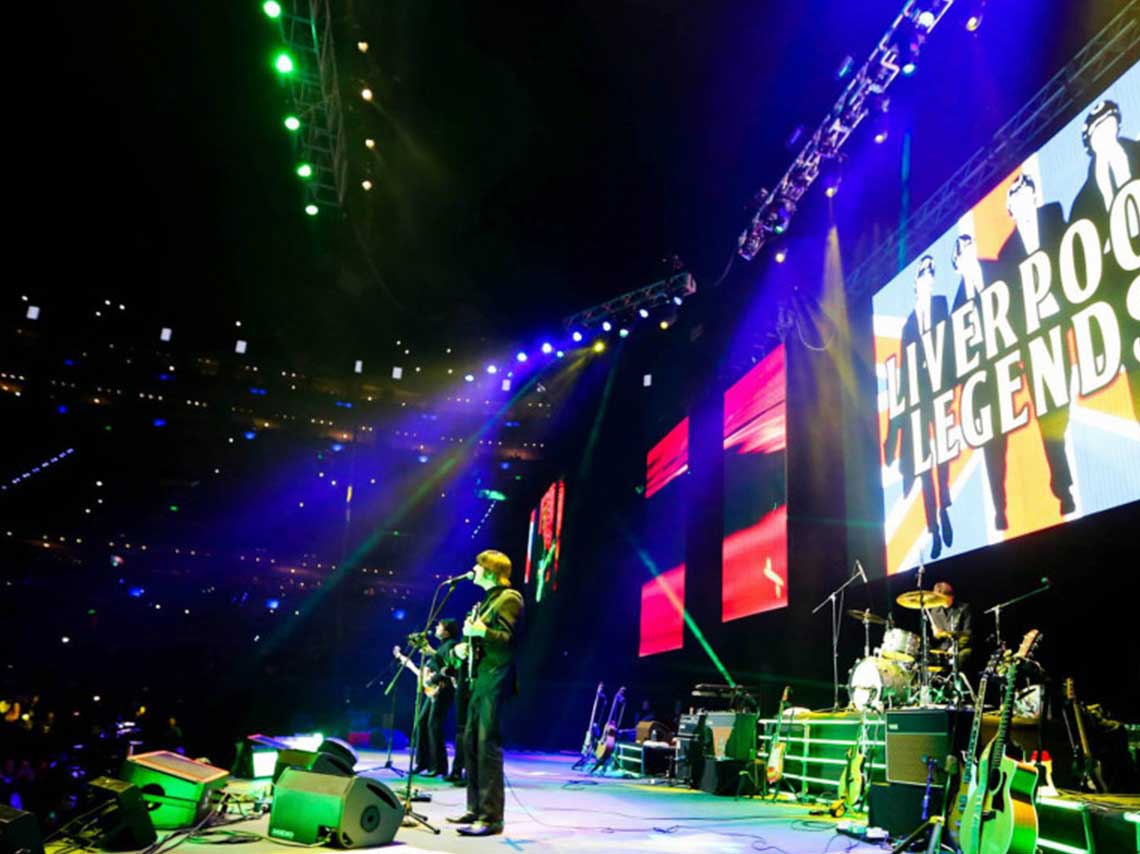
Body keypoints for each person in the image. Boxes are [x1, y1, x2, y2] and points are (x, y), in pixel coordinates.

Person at [997, 173, 1076, 516]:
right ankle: (1063, 486)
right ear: (1010, 208)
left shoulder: (1054, 214)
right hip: (1034, 338)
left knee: (1068, 398)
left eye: (1028, 193)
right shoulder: (1006, 252)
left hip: (1073, 317)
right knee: (1050, 412)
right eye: (1017, 197)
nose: (1025, 200)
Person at [1070, 99, 1140, 424]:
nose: (1104, 132)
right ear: (1088, 141)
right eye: (1096, 130)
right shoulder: (1083, 203)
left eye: (1108, 123)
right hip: (1123, 304)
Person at [446, 550, 523, 837]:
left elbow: (509, 641)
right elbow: (483, 639)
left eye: (478, 566)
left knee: (487, 745)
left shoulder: (509, 598)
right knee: (471, 744)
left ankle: (491, 817)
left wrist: (481, 633)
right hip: (480, 679)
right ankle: (475, 808)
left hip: (496, 679)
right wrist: (466, 647)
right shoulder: (487, 601)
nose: (473, 570)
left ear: (490, 571)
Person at [884, 255, 955, 559]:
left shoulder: (941, 304)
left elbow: (952, 344)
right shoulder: (909, 323)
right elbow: (901, 374)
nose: (928, 274)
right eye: (923, 270)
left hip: (940, 391)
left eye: (932, 269)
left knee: (943, 455)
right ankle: (934, 528)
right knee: (925, 465)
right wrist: (893, 433)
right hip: (917, 400)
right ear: (915, 281)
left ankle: (946, 507)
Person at [952, 234, 1011, 530]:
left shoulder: (997, 270)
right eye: (960, 251)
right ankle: (1000, 509)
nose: (967, 253)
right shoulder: (955, 306)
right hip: (982, 387)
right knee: (993, 447)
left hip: (1016, 366)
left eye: (969, 246)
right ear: (956, 263)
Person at [412, 619, 459, 777]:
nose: (436, 628)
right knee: (422, 722)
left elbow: (449, 668)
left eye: (439, 626)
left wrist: (433, 680)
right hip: (434, 689)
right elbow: (435, 664)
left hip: (443, 690)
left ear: (446, 631)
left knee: (434, 725)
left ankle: (439, 766)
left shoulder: (451, 645)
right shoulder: (442, 647)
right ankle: (423, 762)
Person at [925, 581, 972, 659]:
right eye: (940, 598)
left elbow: (968, 634)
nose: (943, 601)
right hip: (943, 648)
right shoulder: (935, 611)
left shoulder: (964, 609)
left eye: (945, 598)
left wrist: (955, 647)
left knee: (961, 656)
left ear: (951, 596)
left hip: (962, 647)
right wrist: (936, 635)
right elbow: (936, 639)